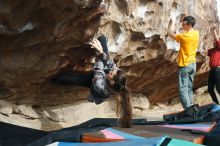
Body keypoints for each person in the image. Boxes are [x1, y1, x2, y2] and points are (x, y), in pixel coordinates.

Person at [52, 35, 132, 127]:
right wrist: (101, 51)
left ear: (112, 81)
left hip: (93, 82)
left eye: (112, 73)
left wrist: (98, 52)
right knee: (102, 39)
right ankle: (101, 44)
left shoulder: (100, 86)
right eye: (114, 71)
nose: (112, 71)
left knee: (65, 77)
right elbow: (111, 65)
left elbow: (98, 69)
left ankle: (56, 80)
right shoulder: (118, 77)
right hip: (103, 76)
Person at [168, 16, 200, 109]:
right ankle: (191, 107)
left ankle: (188, 110)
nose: (182, 25)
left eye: (184, 23)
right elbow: (186, 32)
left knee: (183, 89)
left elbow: (170, 33)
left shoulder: (184, 37)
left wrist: (173, 21)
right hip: (193, 64)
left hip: (185, 65)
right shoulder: (196, 33)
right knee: (189, 88)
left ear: (189, 25)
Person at [207, 24, 220, 104]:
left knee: (219, 88)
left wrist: (214, 30)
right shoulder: (211, 50)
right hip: (212, 70)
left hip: (218, 70)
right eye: (214, 41)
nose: (214, 42)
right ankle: (216, 104)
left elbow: (218, 40)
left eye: (216, 41)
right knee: (210, 89)